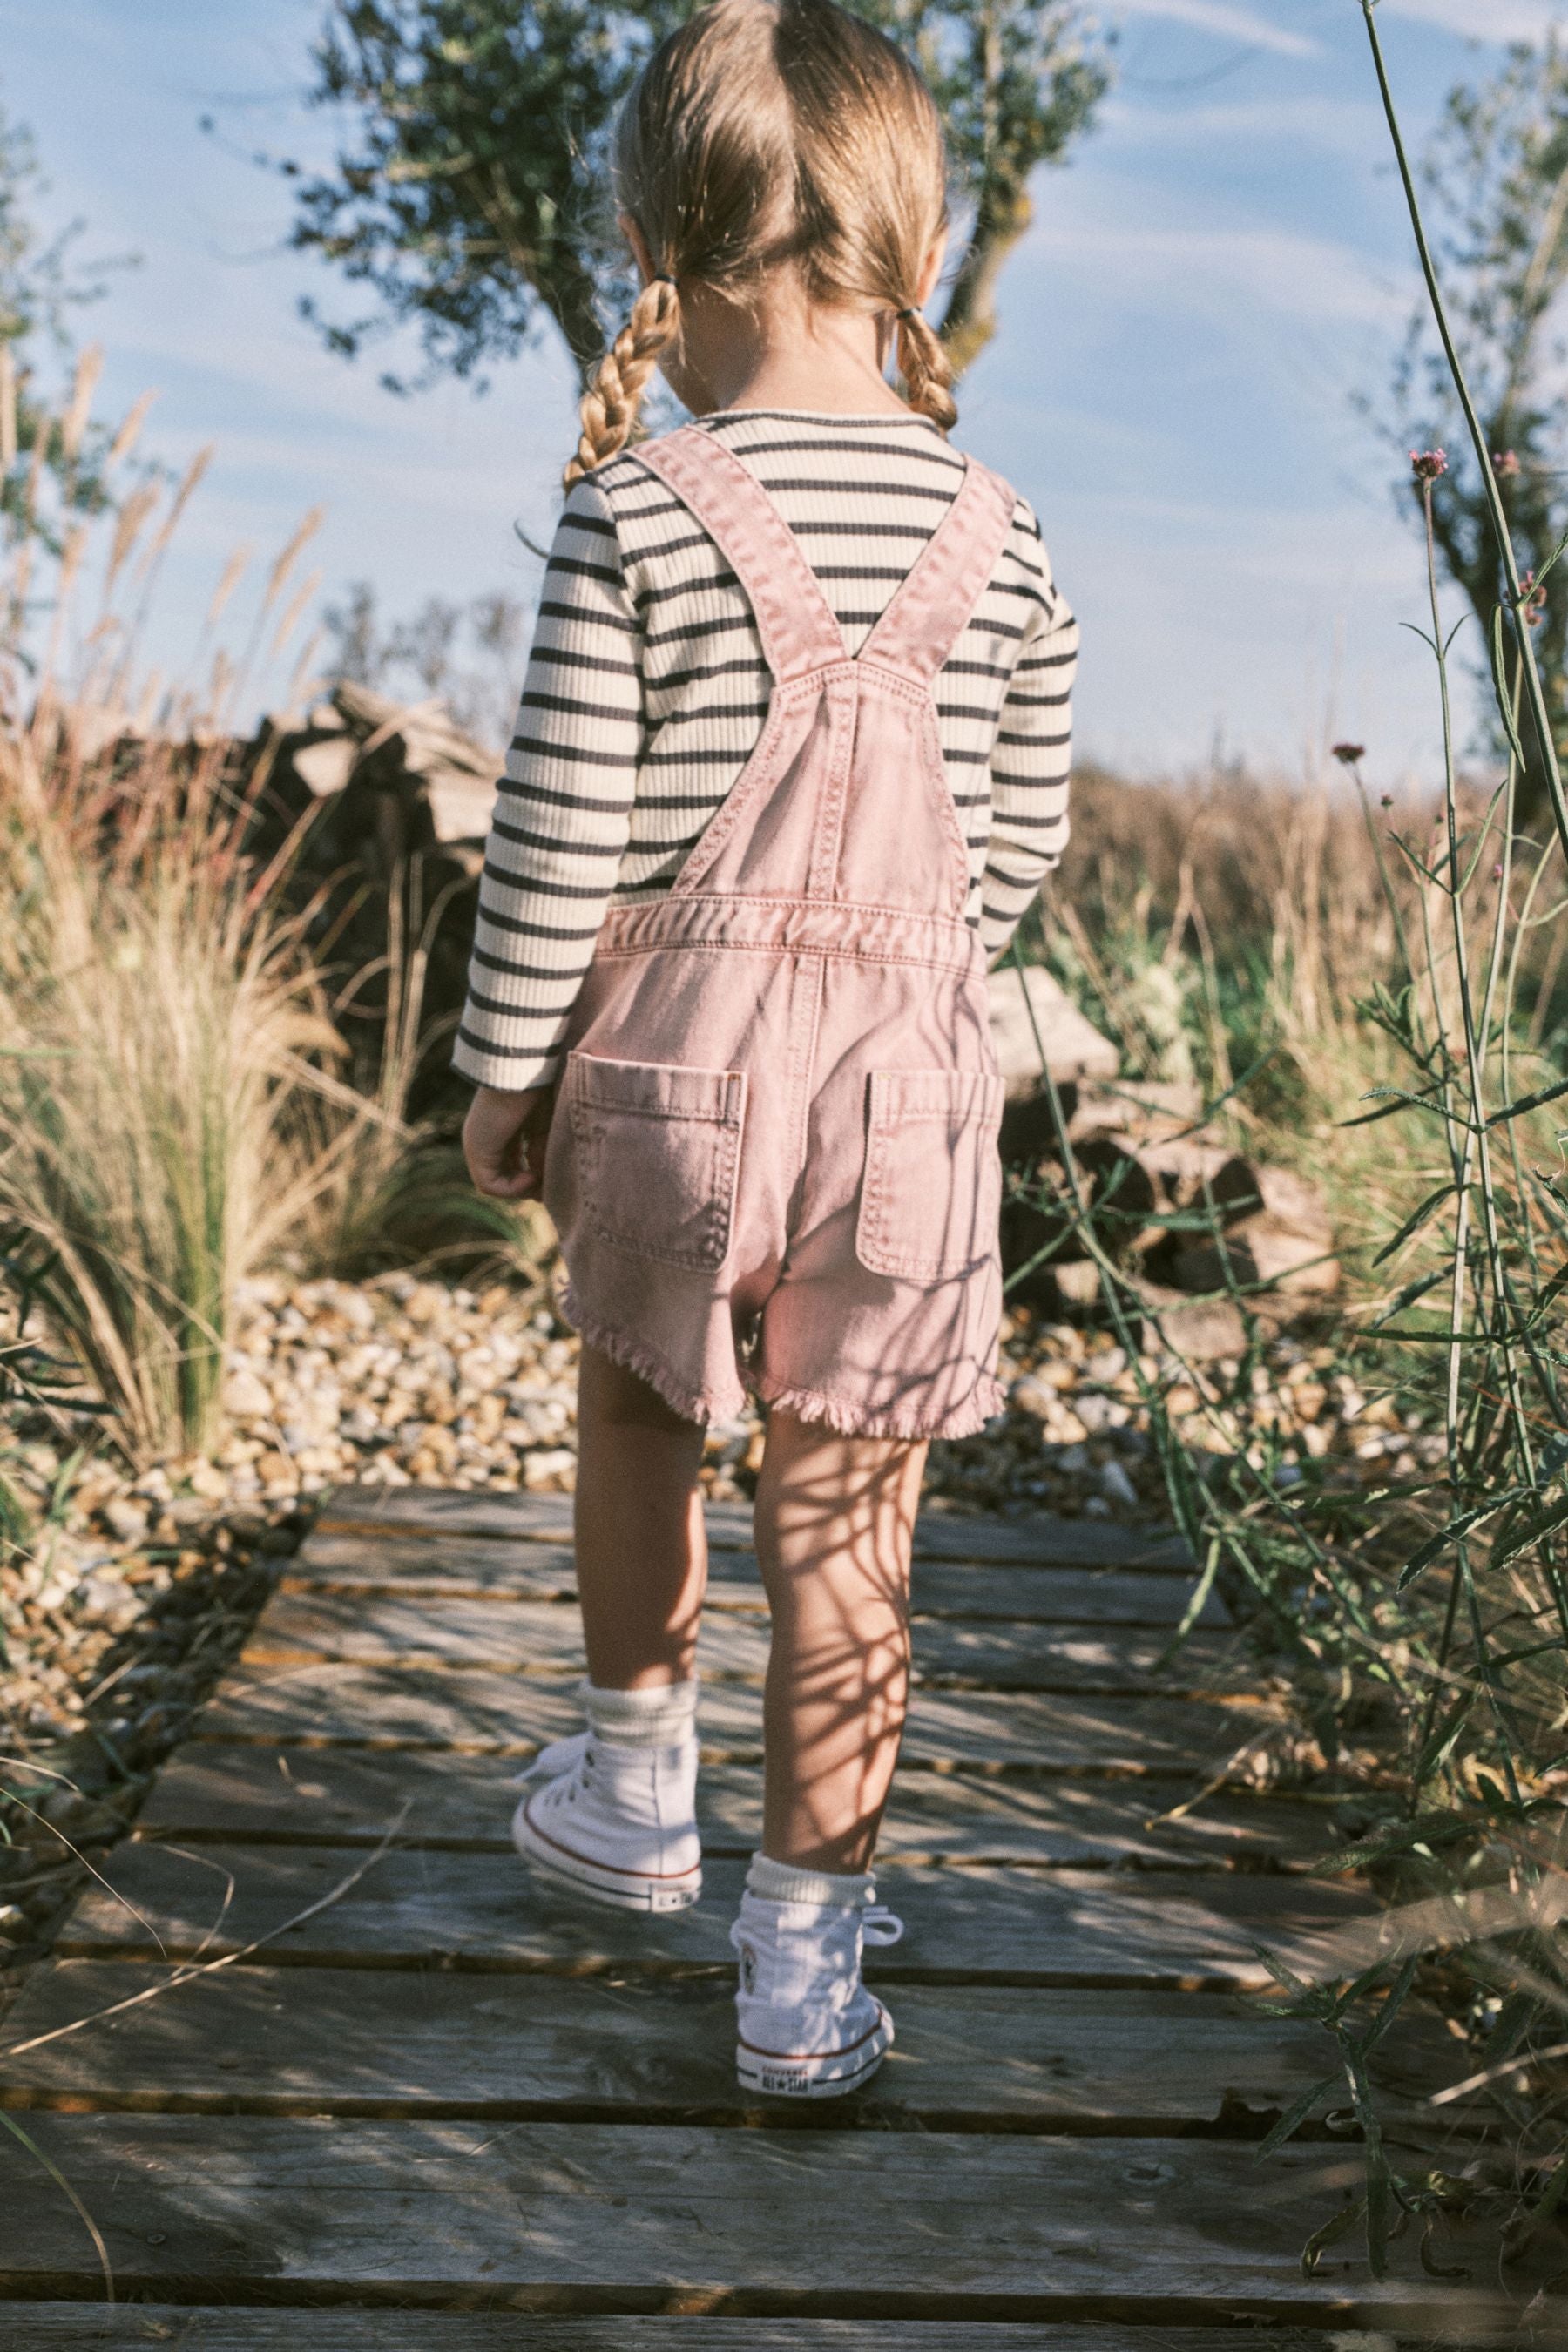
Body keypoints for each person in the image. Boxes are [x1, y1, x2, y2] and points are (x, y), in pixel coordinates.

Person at [457, 0, 1075, 2099]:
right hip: (909, 1092)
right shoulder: (1004, 536)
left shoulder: (637, 509)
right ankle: (802, 1975)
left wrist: (502, 1071)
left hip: (670, 1078)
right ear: (906, 235)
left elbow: (550, 835)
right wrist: (904, 988)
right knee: (854, 1531)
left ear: (652, 219)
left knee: (639, 1416)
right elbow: (1016, 844)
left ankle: (636, 1790)